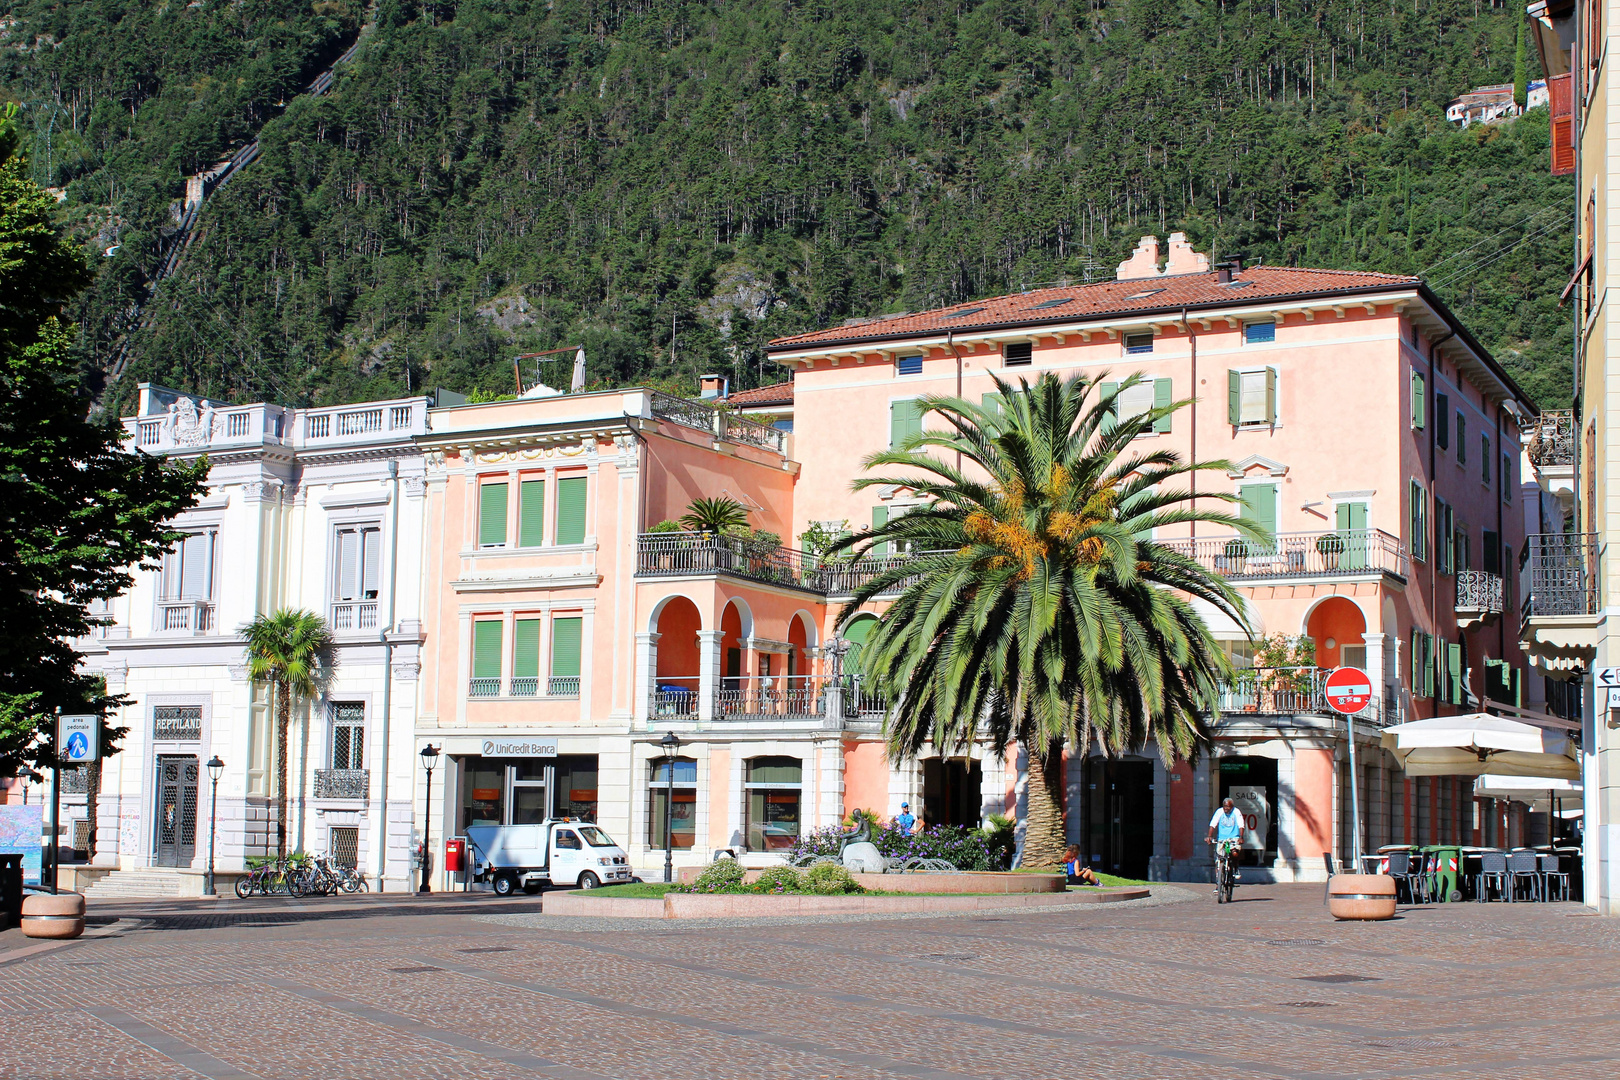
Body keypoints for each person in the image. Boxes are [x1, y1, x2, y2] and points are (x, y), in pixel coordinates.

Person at [1206, 797, 1245, 882]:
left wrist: (1241, 837)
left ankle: (1235, 868)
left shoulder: (1236, 812)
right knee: (1218, 860)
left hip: (1233, 837)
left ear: (1232, 807)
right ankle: (1218, 884)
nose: (1226, 808)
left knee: (1234, 853)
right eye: (1224, 806)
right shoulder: (1219, 812)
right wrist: (1209, 836)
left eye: (1228, 807)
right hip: (1222, 838)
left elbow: (1241, 825)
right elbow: (1213, 824)